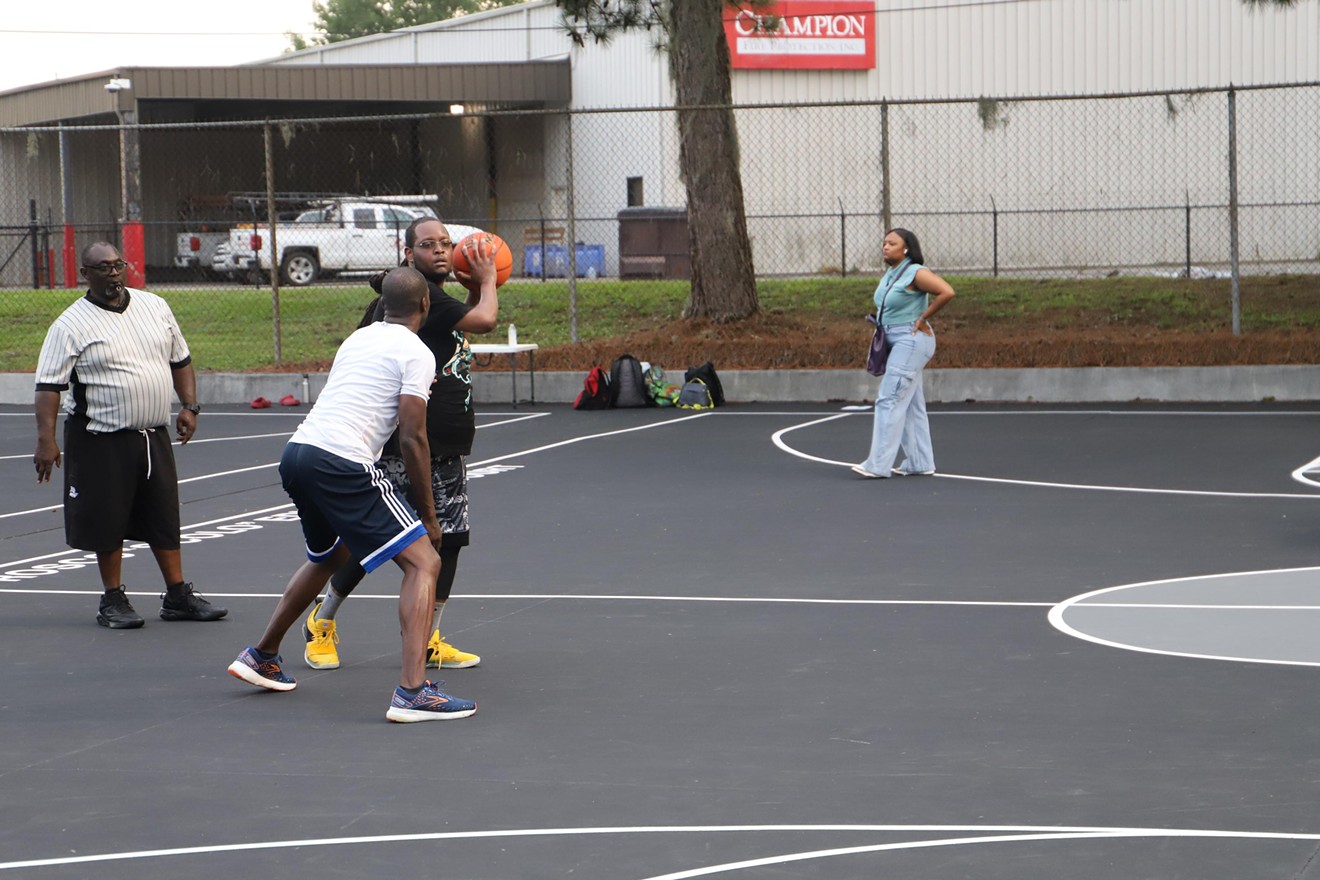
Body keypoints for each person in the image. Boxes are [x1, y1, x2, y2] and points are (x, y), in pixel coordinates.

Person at [227, 267, 476, 723]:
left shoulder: (357, 339)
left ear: (383, 306)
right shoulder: (417, 352)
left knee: (329, 555)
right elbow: (413, 437)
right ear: (424, 306)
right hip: (341, 461)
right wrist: (429, 517)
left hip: (298, 453)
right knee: (425, 562)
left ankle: (261, 654)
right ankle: (413, 692)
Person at [301, 218, 498, 673]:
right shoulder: (413, 297)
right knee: (367, 541)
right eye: (429, 245)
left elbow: (460, 323)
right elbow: (485, 319)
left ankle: (428, 638)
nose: (443, 252)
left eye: (447, 244)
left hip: (444, 444)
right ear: (408, 254)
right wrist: (487, 280)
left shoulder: (437, 301)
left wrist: (470, 286)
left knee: (448, 541)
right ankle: (321, 620)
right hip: (401, 446)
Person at [32, 241, 227, 628]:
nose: (114, 273)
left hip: (152, 434)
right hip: (100, 437)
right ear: (85, 274)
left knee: (163, 514)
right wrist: (46, 439)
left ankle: (177, 595)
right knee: (107, 518)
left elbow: (180, 360)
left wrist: (189, 405)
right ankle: (113, 599)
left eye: (118, 265)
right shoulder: (69, 325)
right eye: (103, 268)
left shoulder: (155, 307)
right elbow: (48, 387)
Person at [853, 228, 956, 479]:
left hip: (911, 340)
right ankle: (920, 461)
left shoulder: (916, 272)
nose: (885, 247)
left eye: (892, 243)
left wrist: (923, 318)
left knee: (889, 399)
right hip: (894, 339)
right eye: (884, 243)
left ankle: (877, 464)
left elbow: (947, 292)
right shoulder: (891, 273)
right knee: (910, 403)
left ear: (906, 248)